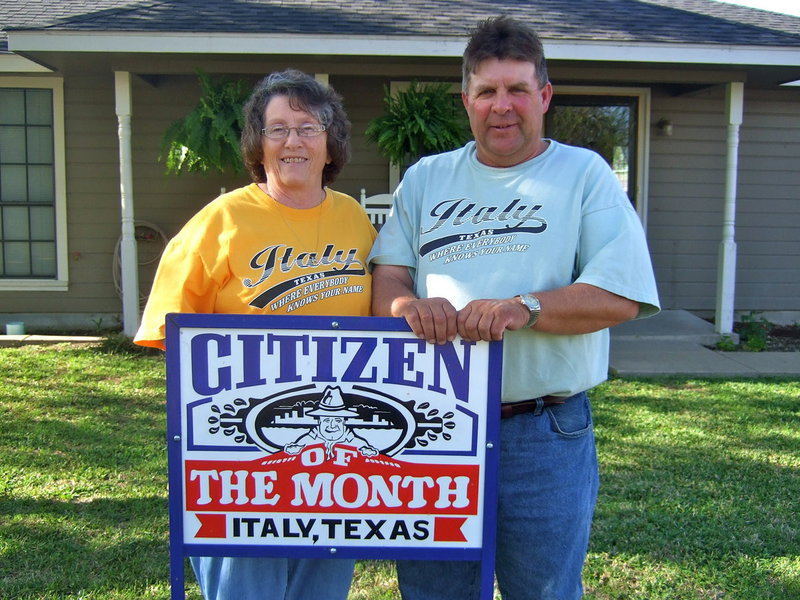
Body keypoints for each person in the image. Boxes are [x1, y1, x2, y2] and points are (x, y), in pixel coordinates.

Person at [368, 16, 660, 600]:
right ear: (466, 100)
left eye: (518, 90)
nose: (502, 106)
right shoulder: (426, 178)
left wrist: (521, 308)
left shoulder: (584, 175)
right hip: (432, 428)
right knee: (433, 591)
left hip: (544, 431)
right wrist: (404, 306)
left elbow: (623, 294)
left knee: (544, 591)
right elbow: (390, 272)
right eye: (487, 91)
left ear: (544, 96)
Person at [135, 69, 376, 600]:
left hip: (333, 460)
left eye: (309, 127)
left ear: (330, 143)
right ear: (258, 144)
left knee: (323, 583)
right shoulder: (219, 221)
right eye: (278, 129)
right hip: (244, 455)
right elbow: (173, 341)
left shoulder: (356, 222)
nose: (294, 141)